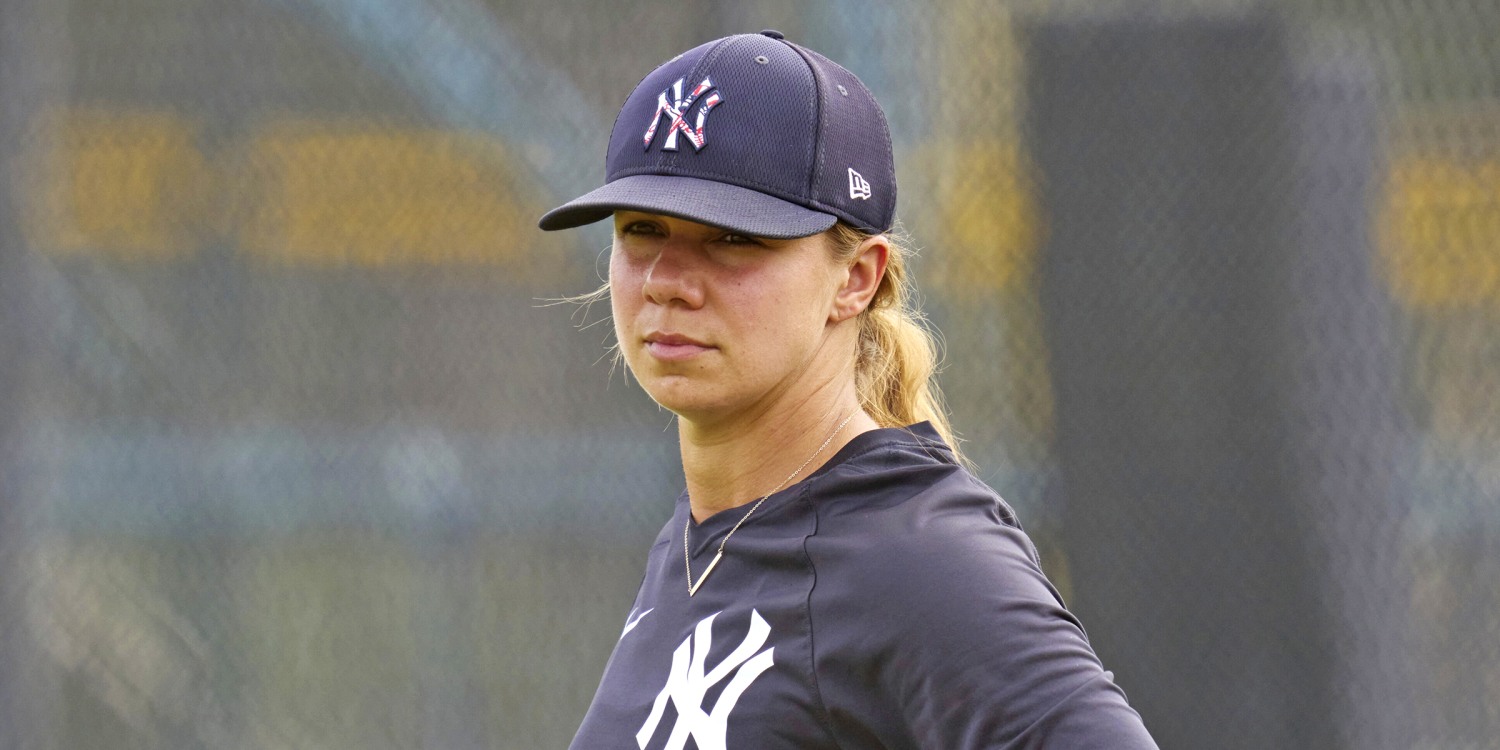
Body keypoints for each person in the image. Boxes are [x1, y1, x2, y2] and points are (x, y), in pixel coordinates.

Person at [538, 30, 1157, 750]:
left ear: (856, 278)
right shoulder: (707, 534)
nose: (667, 280)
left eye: (734, 238)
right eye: (642, 229)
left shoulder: (918, 559)